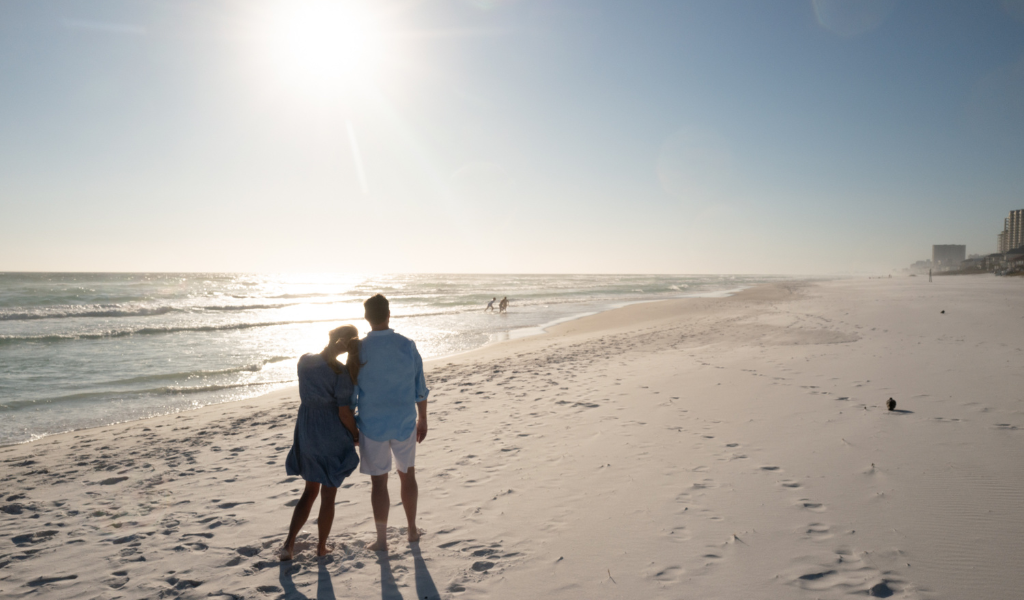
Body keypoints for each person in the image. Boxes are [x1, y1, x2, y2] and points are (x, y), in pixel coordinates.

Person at [353, 294, 429, 551]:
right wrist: (423, 418)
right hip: (404, 421)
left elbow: (352, 392)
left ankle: (382, 539)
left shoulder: (359, 349)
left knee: (379, 483)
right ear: (389, 314)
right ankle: (411, 530)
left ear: (366, 317)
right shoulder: (407, 345)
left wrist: (352, 426)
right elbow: (420, 387)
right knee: (407, 475)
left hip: (371, 425)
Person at [279, 325, 361, 561]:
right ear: (347, 345)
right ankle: (321, 547)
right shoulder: (341, 372)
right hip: (330, 431)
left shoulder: (305, 361)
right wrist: (355, 434)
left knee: (309, 491)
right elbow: (344, 413)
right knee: (329, 494)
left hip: (307, 429)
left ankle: (289, 544)